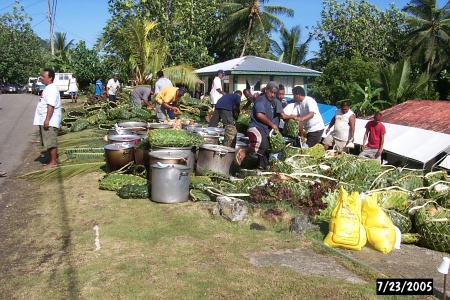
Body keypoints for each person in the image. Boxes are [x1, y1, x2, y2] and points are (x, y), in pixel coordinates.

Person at [234, 81, 297, 170]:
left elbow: (282, 115)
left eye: (274, 93)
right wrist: (272, 124)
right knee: (261, 143)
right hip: (255, 127)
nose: (273, 95)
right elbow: (260, 115)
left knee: (266, 148)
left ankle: (261, 168)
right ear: (266, 90)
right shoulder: (261, 100)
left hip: (265, 130)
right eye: (271, 92)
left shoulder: (273, 102)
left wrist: (292, 117)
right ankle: (244, 151)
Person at [33, 68, 62, 168]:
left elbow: (51, 105)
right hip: (46, 119)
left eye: (44, 76)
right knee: (47, 141)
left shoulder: (52, 89)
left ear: (50, 78)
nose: (42, 78)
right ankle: (51, 160)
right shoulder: (48, 88)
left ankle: (53, 162)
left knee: (51, 142)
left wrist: (47, 119)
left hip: (50, 120)